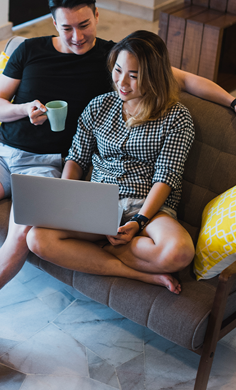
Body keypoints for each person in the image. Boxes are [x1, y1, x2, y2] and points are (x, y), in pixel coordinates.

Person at [0, 0, 236, 313]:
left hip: (48, 167)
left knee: (23, 235)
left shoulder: (115, 58)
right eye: (66, 28)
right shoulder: (30, 51)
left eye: (84, 24)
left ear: (97, 15)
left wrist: (235, 102)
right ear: (53, 25)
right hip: (5, 154)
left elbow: (183, 79)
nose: (77, 36)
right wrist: (24, 110)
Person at [27, 31, 195, 293]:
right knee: (38, 238)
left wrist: (139, 221)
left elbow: (167, 176)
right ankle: (136, 273)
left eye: (134, 75)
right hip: (99, 203)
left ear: (155, 76)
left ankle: (99, 248)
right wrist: (63, 198)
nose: (122, 83)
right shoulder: (99, 106)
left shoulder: (177, 117)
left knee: (179, 253)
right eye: (118, 70)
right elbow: (77, 157)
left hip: (149, 208)